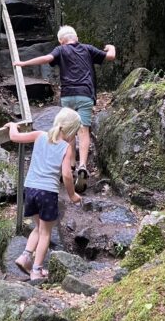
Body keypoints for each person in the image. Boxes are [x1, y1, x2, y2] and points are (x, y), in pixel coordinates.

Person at [14, 26, 115, 192]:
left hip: (68, 94)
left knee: (68, 131)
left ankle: (69, 165)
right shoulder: (88, 49)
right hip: (85, 94)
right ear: (76, 37)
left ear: (61, 40)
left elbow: (47, 58)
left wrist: (23, 63)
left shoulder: (60, 49)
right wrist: (111, 47)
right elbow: (110, 56)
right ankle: (82, 165)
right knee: (83, 130)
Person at [7, 109, 82, 283]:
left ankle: (25, 256)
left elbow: (15, 138)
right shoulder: (66, 148)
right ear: (71, 131)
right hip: (47, 192)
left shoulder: (40, 135)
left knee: (38, 228)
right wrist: (72, 195)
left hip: (30, 188)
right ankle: (36, 270)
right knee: (46, 233)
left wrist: (12, 126)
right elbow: (67, 175)